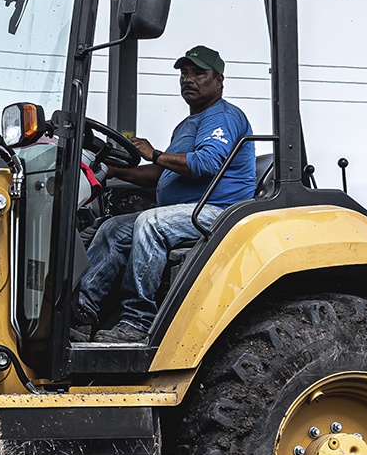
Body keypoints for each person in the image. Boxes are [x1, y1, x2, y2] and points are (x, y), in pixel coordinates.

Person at [73, 45, 255, 344]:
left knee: (150, 223)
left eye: (199, 73)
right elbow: (160, 174)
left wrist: (154, 152)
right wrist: (115, 172)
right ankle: (82, 312)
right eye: (184, 73)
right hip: (184, 209)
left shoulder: (222, 116)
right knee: (113, 227)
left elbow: (207, 163)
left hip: (218, 211)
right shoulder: (187, 125)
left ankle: (137, 320)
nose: (188, 79)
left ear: (218, 80)